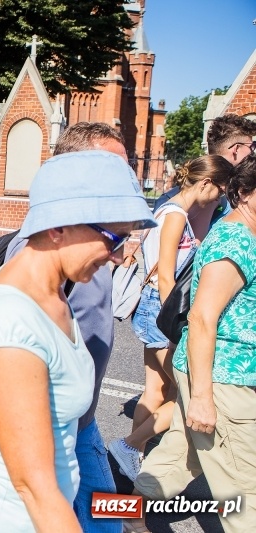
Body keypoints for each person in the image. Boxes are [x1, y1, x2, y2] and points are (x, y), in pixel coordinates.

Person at [0, 150, 157, 533]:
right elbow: (34, 486)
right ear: (58, 226)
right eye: (113, 238)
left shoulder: (54, 289)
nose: (118, 256)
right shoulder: (13, 320)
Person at [130, 155, 256, 533]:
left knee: (180, 456)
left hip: (216, 371)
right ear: (245, 193)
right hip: (224, 376)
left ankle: (125, 516)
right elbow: (201, 317)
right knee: (244, 488)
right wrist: (202, 397)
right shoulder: (235, 240)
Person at [109, 155, 233, 484]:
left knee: (155, 390)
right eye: (220, 191)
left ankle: (131, 457)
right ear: (206, 183)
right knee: (189, 393)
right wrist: (177, 324)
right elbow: (166, 276)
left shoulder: (171, 211)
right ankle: (129, 445)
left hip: (153, 307)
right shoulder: (175, 215)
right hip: (160, 310)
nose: (220, 198)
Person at [154, 114, 256, 239]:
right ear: (236, 149)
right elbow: (196, 246)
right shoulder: (208, 192)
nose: (252, 152)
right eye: (251, 146)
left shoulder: (186, 189)